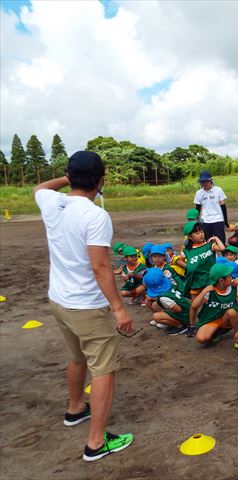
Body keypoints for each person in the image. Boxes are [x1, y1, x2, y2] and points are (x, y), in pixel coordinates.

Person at [34, 151, 134, 462]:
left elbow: (40, 188)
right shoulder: (95, 215)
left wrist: (69, 178)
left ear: (70, 177)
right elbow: (100, 267)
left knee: (77, 357)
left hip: (59, 299)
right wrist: (118, 308)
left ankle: (76, 407)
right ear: (100, 180)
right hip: (87, 305)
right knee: (104, 369)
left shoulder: (52, 202)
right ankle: (96, 442)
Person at [188, 263, 238, 344]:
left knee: (232, 312)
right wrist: (203, 292)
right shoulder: (210, 291)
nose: (232, 277)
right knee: (201, 339)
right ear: (221, 281)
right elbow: (194, 306)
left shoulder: (232, 286)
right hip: (211, 320)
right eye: (230, 276)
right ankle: (217, 332)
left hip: (226, 319)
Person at [176, 221, 225, 298]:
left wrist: (216, 238)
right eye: (197, 233)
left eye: (202, 232)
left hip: (210, 280)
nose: (201, 234)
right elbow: (179, 261)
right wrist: (189, 267)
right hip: (196, 281)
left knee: (211, 300)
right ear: (190, 237)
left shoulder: (209, 246)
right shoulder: (187, 251)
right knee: (195, 303)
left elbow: (222, 248)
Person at [143, 268, 191, 335]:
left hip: (186, 315)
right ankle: (171, 321)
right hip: (186, 308)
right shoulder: (169, 285)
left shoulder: (163, 298)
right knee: (155, 305)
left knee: (156, 316)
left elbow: (178, 309)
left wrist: (167, 312)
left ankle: (181, 326)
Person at [193, 171, 233, 243]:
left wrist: (226, 222)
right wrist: (197, 222)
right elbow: (197, 209)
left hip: (218, 219)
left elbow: (223, 207)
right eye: (202, 182)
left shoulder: (218, 190)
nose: (204, 183)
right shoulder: (199, 193)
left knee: (221, 242)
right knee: (208, 243)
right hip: (205, 221)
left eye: (206, 181)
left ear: (210, 180)